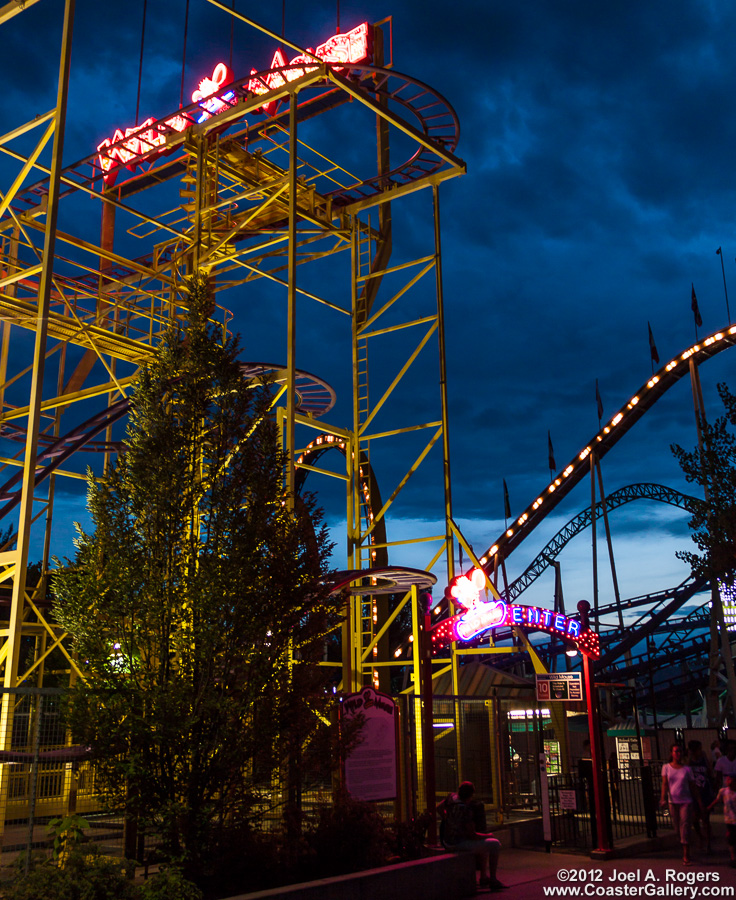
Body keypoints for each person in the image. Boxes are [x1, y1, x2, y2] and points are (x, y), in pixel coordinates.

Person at [438, 781, 507, 891]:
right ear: (471, 795)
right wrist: (489, 835)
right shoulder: (465, 809)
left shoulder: (452, 798)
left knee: (484, 844)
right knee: (494, 844)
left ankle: (484, 877)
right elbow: (473, 835)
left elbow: (439, 807)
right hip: (458, 843)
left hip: (447, 840)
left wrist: (447, 819)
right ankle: (493, 879)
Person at [660, 743, 701, 865]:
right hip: (673, 801)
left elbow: (693, 786)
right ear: (671, 753)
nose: (678, 754)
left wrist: (699, 801)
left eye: (679, 751)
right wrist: (663, 798)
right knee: (677, 827)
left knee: (685, 825)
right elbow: (665, 784)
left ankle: (686, 854)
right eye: (675, 751)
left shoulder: (687, 769)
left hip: (686, 801)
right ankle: (685, 843)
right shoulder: (666, 767)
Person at [687, 740, 713, 853]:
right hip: (693, 793)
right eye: (698, 749)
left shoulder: (703, 758)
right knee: (694, 819)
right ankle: (701, 837)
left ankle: (708, 843)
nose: (700, 751)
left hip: (704, 791)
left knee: (705, 818)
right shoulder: (689, 761)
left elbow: (709, 771)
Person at [707, 773, 736, 868]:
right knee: (731, 838)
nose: (729, 782)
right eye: (728, 780)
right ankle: (733, 858)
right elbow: (718, 800)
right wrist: (709, 806)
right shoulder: (723, 791)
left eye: (731, 780)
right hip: (729, 819)